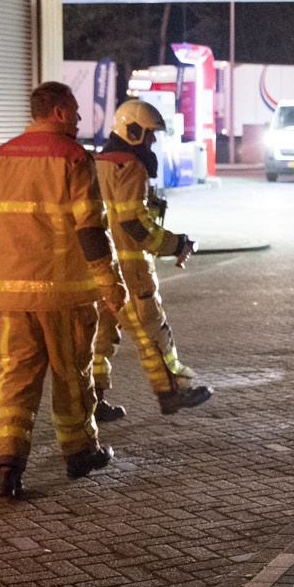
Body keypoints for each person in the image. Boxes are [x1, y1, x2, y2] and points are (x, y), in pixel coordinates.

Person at [0, 82, 128, 500]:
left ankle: (7, 466)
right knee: (72, 378)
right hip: (63, 296)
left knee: (15, 383)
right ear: (60, 112)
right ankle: (80, 453)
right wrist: (111, 284)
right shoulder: (73, 157)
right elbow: (91, 230)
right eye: (76, 111)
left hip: (10, 296)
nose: (80, 119)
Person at [90, 100, 213, 421]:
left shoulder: (97, 163)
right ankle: (172, 391)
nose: (153, 141)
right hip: (130, 270)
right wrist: (176, 244)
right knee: (151, 331)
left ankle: (92, 401)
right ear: (132, 132)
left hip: (98, 266)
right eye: (149, 134)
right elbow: (135, 223)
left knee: (100, 335)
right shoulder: (131, 166)